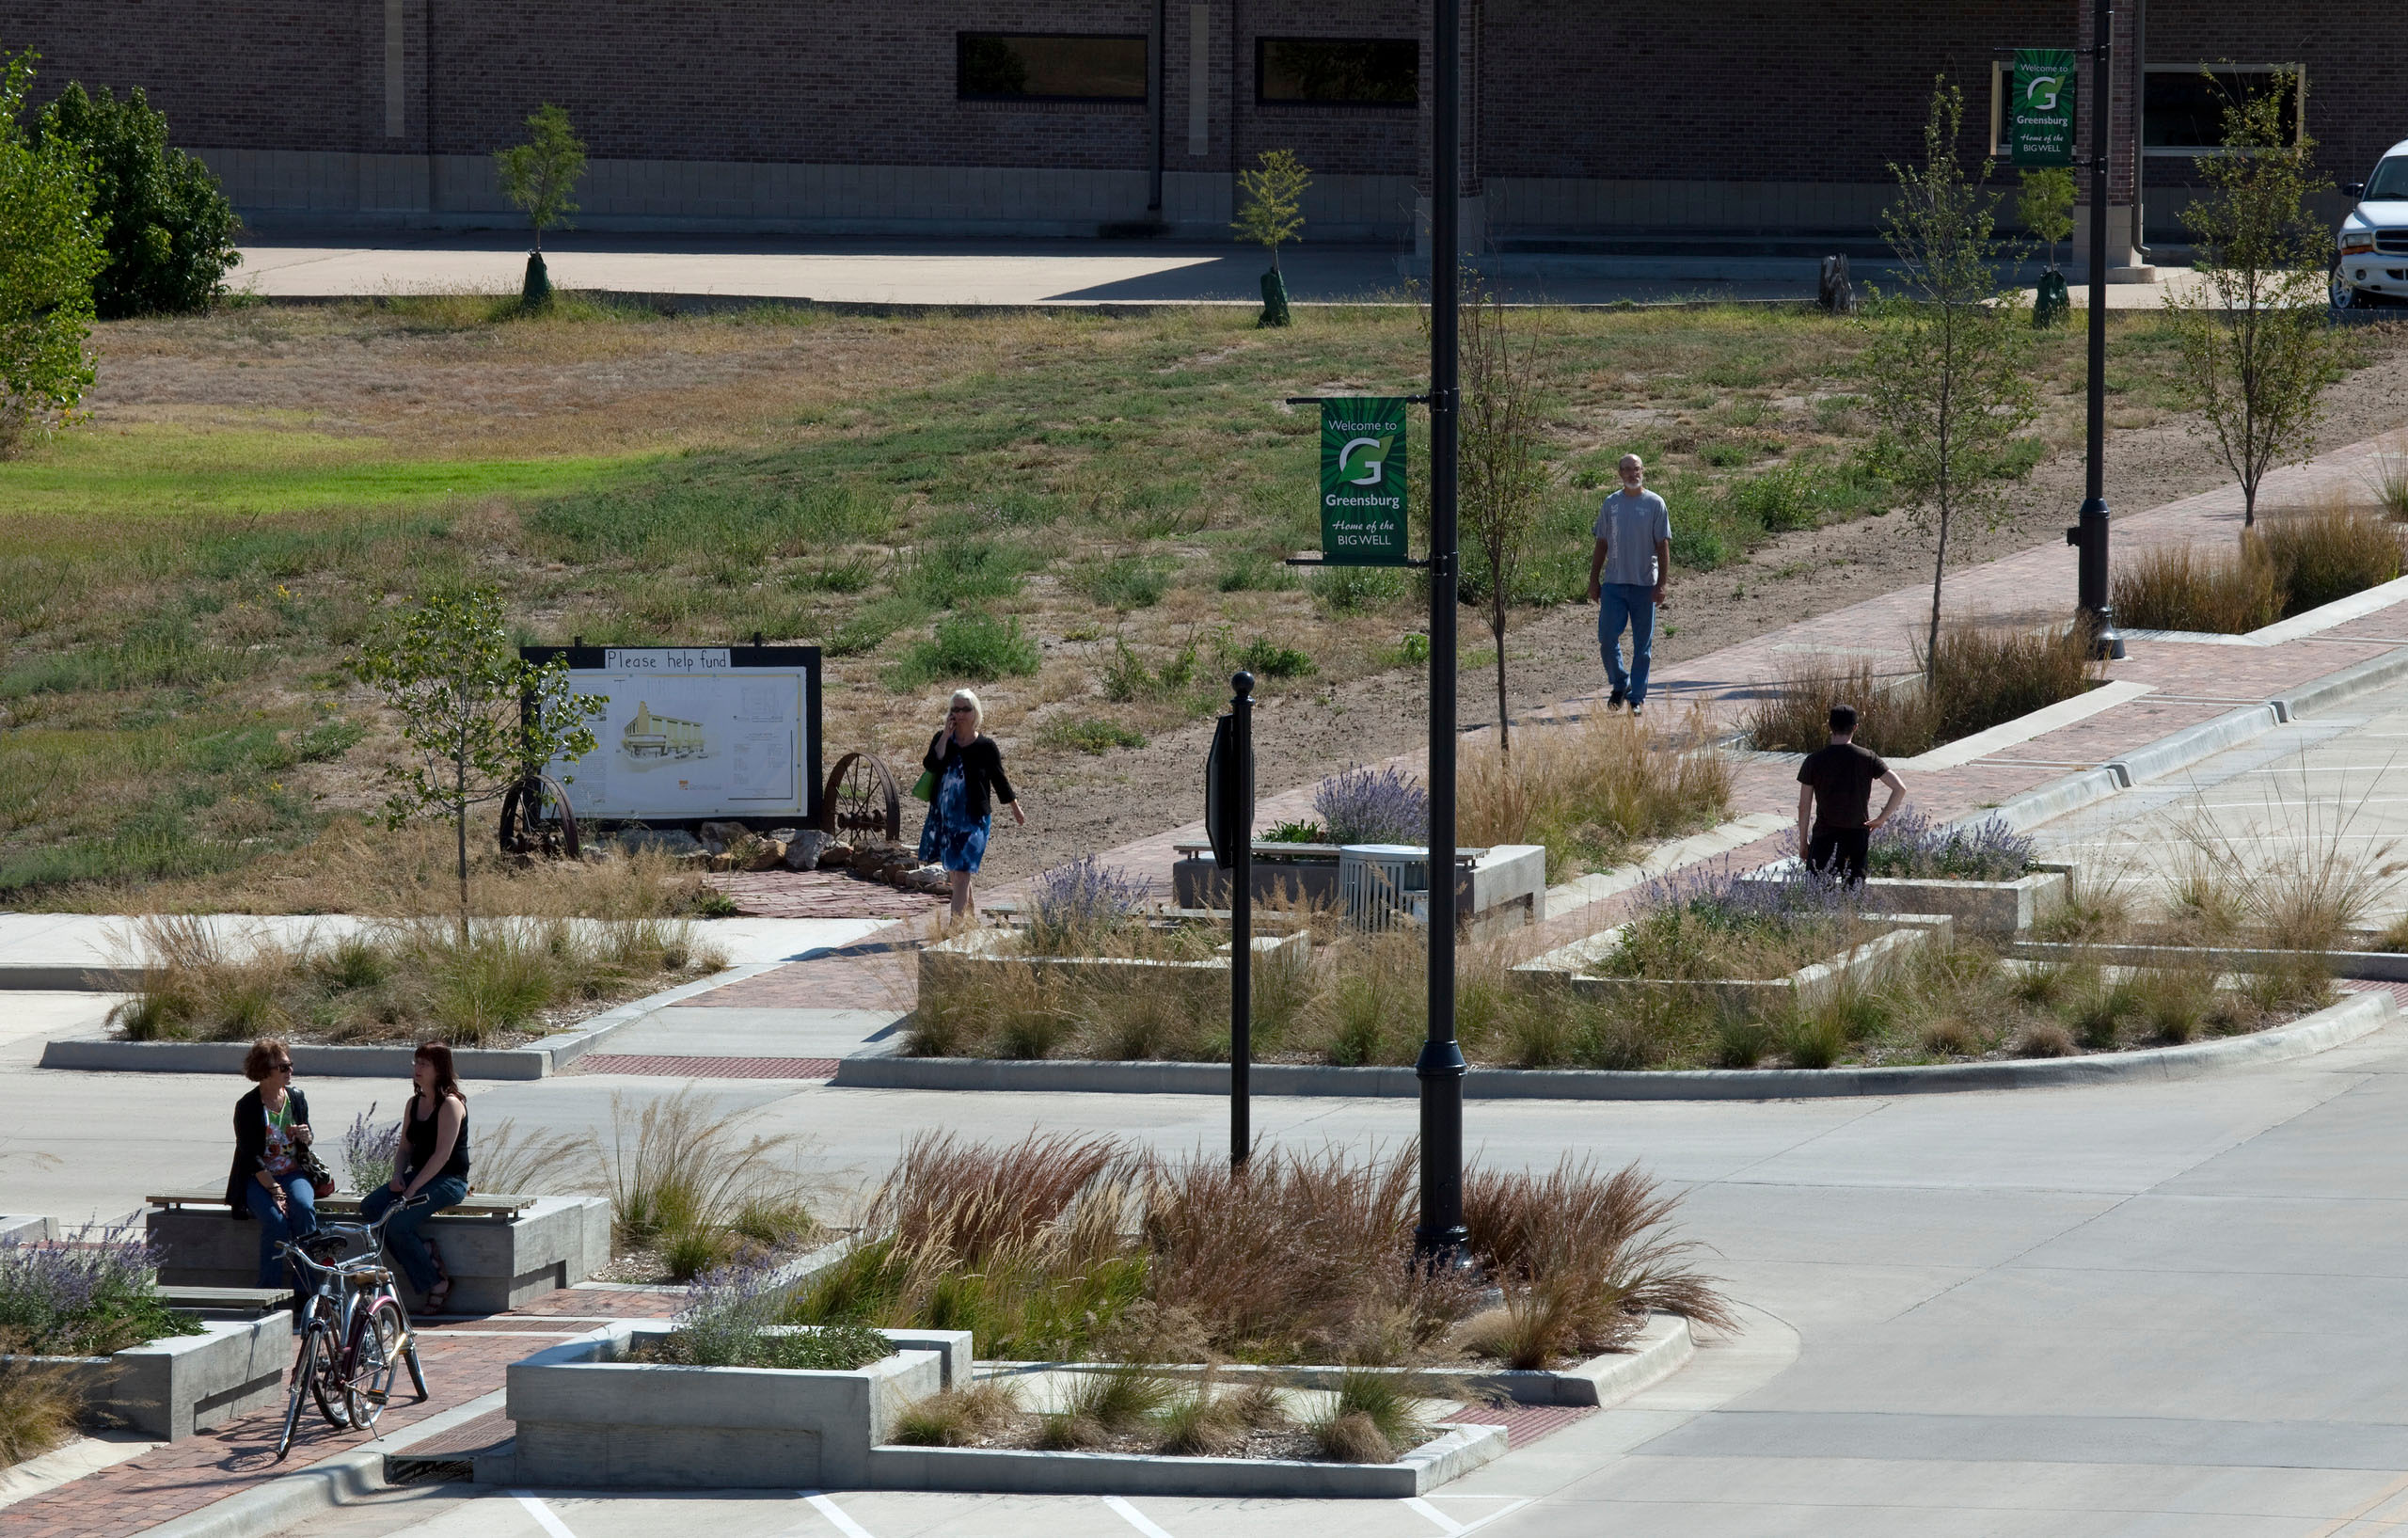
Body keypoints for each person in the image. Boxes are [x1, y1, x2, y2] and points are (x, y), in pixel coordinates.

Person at [360, 1041, 471, 1311]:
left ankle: (436, 1283)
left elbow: (442, 1156)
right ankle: (426, 1254)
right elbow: (404, 1148)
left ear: (440, 1069)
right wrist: (398, 1175)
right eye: (416, 1062)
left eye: (425, 1064)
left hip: (449, 1180)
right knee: (371, 1208)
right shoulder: (413, 1103)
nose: (417, 1069)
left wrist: (411, 1192)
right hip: (418, 1177)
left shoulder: (451, 1104)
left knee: (398, 1225)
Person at [918, 689, 1025, 918]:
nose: (960, 714)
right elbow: (931, 765)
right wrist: (946, 738)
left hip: (974, 817)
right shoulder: (942, 739)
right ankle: (970, 919)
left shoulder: (985, 746)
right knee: (957, 874)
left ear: (975, 711)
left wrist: (1015, 807)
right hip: (945, 817)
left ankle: (954, 928)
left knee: (963, 871)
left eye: (965, 709)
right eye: (955, 709)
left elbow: (999, 779)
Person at [223, 1038, 317, 1292]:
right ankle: (269, 1293)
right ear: (264, 1071)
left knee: (304, 1210)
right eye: (283, 1068)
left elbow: (307, 1140)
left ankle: (308, 1292)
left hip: (293, 1172)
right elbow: (249, 1156)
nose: (290, 1072)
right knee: (276, 1222)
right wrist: (275, 1190)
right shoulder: (248, 1106)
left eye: (290, 1065)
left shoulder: (296, 1098)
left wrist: (306, 1136)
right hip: (258, 1177)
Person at [1586, 453, 1673, 717]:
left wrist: (1661, 585)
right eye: (1626, 469)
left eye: (1636, 469)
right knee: (1607, 638)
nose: (1632, 473)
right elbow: (1601, 543)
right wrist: (1593, 580)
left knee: (1642, 645)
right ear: (1619, 473)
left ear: (1642, 471)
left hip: (1644, 584)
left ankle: (1637, 696)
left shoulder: (1655, 503)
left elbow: (1663, 545)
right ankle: (1620, 682)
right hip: (1614, 583)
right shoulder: (1611, 504)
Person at [1796, 704, 1906, 886]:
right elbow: (1900, 788)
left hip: (1824, 835)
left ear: (1829, 726)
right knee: (1854, 894)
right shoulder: (1868, 758)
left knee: (1817, 896)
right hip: (1857, 835)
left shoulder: (1814, 761)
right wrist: (1881, 819)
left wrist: (1803, 842)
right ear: (1855, 727)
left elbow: (1804, 806)